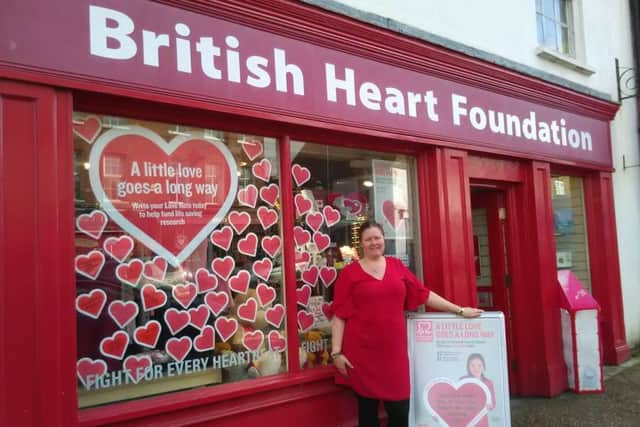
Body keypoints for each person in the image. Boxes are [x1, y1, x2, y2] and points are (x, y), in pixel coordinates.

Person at [331, 221, 483, 427]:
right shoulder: (349, 274)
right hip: (362, 354)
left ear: (384, 239)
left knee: (400, 409)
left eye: (377, 238)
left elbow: (424, 294)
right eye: (368, 239)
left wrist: (459, 310)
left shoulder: (396, 266)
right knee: (367, 413)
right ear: (361, 244)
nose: (374, 243)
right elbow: (339, 314)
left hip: (394, 354)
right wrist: (337, 352)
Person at [460, 353, 495, 427]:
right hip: (465, 418)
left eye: (479, 365)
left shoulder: (488, 383)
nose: (476, 368)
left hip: (481, 419)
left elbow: (493, 402)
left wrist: (490, 406)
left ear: (484, 367)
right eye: (472, 365)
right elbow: (456, 400)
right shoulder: (462, 381)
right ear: (468, 367)